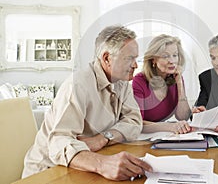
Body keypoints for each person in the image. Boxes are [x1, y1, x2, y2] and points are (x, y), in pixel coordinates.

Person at [22, 25, 152, 181]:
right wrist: (103, 164)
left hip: (84, 166)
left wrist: (103, 138)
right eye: (129, 58)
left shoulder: (122, 83)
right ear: (106, 58)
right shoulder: (78, 86)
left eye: (135, 58)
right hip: (47, 172)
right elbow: (58, 143)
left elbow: (134, 121)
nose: (135, 65)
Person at [132, 34, 192, 134]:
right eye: (165, 56)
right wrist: (169, 127)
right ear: (153, 60)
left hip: (162, 136)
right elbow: (138, 124)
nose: (172, 61)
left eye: (175, 55)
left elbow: (183, 117)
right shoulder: (139, 81)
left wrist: (179, 84)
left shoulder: (176, 78)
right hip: (142, 138)